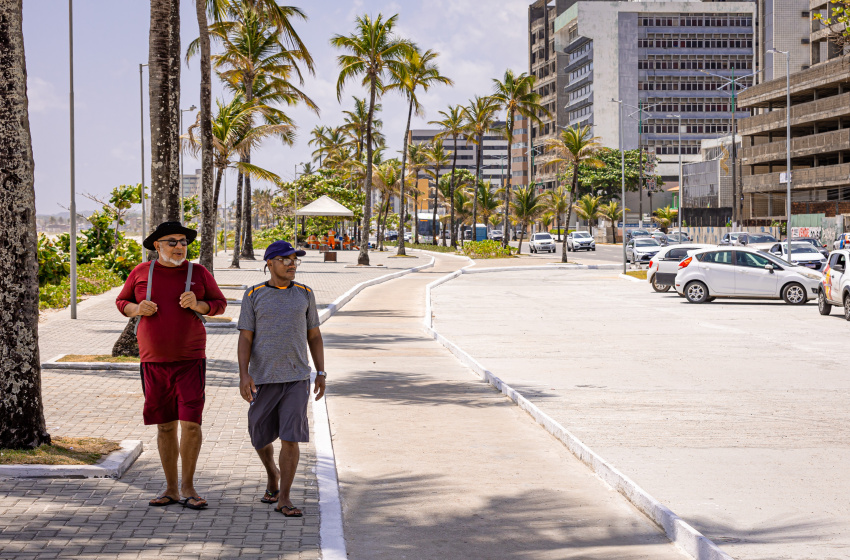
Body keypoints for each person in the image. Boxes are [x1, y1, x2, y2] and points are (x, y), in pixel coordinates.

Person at [116, 221, 227, 510]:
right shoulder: (141, 272)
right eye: (172, 242)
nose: (180, 247)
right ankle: (171, 489)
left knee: (191, 425)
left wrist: (198, 304)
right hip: (153, 362)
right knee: (165, 427)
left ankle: (189, 488)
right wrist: (137, 309)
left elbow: (219, 303)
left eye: (183, 242)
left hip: (190, 360)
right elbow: (122, 301)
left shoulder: (198, 272)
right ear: (157, 246)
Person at [237, 240, 326, 517]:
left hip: (297, 378)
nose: (291, 264)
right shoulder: (253, 294)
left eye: (294, 260)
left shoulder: (304, 293)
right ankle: (272, 475)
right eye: (285, 259)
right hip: (263, 379)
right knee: (258, 434)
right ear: (270, 263)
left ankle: (284, 497)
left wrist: (320, 372)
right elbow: (245, 337)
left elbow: (314, 335)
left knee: (291, 438)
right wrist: (243, 374)